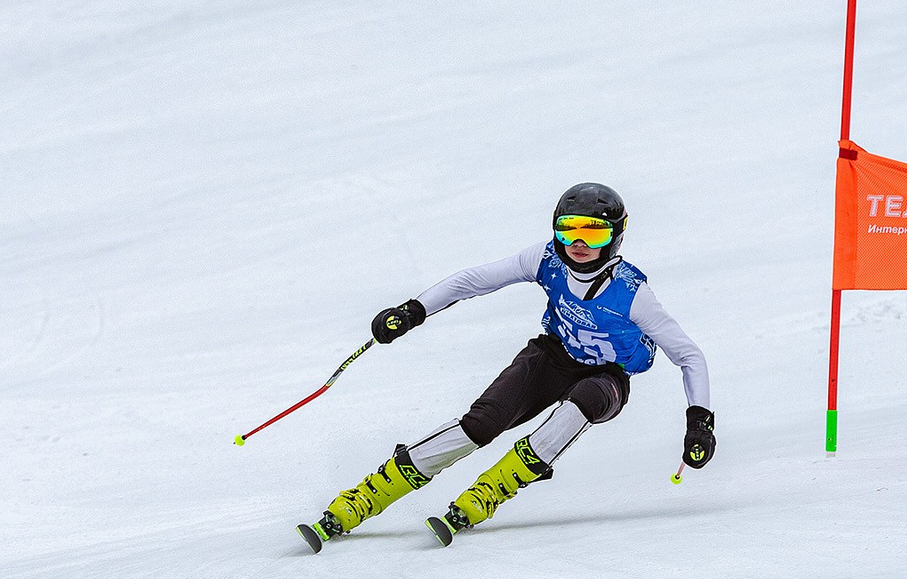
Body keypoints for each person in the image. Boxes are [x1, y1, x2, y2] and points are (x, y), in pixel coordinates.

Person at [300, 182, 717, 550]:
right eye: (569, 227)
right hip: (551, 357)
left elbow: (688, 355)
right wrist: (414, 310)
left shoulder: (633, 294)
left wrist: (700, 420)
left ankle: (493, 489)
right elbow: (474, 280)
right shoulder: (545, 260)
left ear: (616, 237)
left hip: (608, 376)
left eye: (594, 232)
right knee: (481, 424)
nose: (579, 242)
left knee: (586, 399)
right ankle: (364, 497)